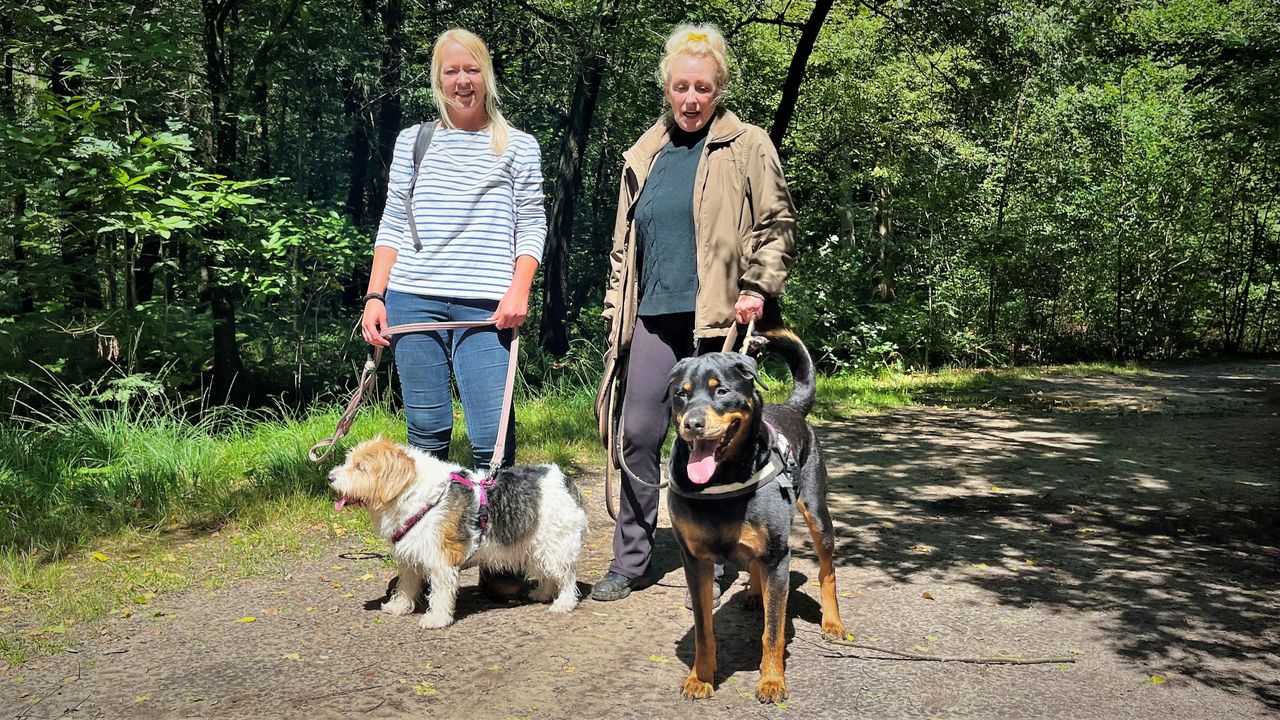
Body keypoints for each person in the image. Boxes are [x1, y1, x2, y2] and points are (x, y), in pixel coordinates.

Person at [593, 24, 797, 604]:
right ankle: (630, 559)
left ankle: (729, 545)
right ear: (667, 88)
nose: (690, 98)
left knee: (722, 437)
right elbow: (621, 248)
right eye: (680, 86)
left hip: (720, 318)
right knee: (637, 433)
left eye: (702, 88)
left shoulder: (748, 144)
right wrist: (616, 310)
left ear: (719, 89)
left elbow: (777, 225)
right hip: (653, 315)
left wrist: (758, 286)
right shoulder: (645, 153)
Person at [361, 29, 545, 486]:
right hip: (412, 300)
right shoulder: (413, 142)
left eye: (471, 69)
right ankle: (429, 549)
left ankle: (502, 553)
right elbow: (393, 222)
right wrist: (374, 296)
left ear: (486, 76)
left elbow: (532, 224)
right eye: (452, 71)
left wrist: (519, 289)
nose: (463, 81)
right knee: (426, 432)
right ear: (438, 81)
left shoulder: (519, 145)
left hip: (487, 307)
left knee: (492, 437)